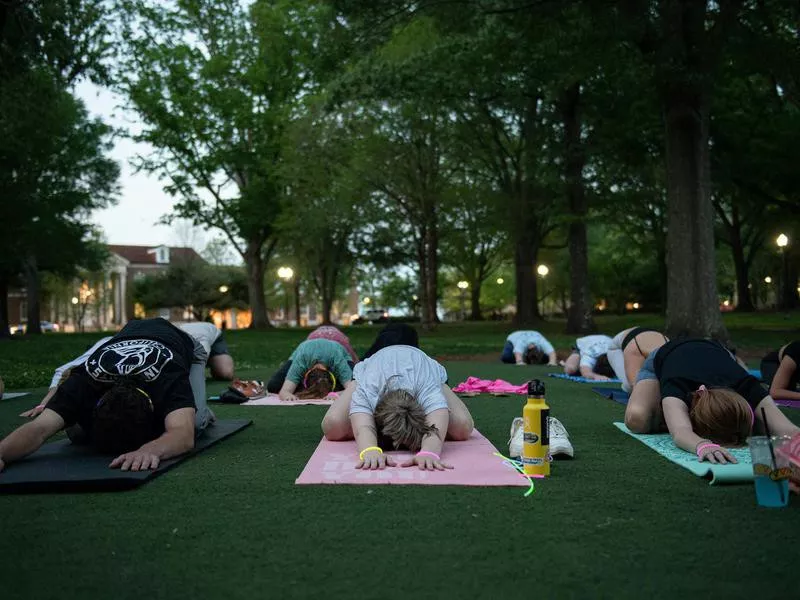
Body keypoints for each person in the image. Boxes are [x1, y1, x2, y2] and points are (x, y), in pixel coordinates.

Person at [0, 318, 214, 474]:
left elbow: (183, 436)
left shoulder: (168, 376)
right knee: (77, 434)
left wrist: (151, 449)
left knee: (193, 424)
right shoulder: (83, 383)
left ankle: (198, 409)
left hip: (185, 345)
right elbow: (38, 429)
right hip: (128, 335)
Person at [624, 338, 800, 464]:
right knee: (637, 419)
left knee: (767, 424)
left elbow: (787, 428)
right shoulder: (677, 385)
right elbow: (681, 432)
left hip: (718, 352)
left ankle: (674, 414)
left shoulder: (746, 384)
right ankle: (652, 401)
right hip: (666, 354)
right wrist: (702, 445)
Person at [20, 322, 234, 419]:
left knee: (223, 373)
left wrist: (196, 409)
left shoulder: (191, 343)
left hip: (197, 336)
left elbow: (186, 374)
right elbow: (67, 372)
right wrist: (46, 403)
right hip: (151, 336)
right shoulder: (107, 347)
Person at [321, 344, 474, 471]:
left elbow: (438, 414)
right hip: (373, 365)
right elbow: (363, 427)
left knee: (462, 427)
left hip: (423, 365)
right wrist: (369, 450)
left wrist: (429, 452)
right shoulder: (369, 388)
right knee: (333, 426)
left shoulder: (426, 386)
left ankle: (438, 384)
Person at [267, 338, 354, 401]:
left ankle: (319, 389)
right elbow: (284, 391)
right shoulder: (301, 360)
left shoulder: (337, 359)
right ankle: (312, 389)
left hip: (339, 352)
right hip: (302, 351)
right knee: (274, 386)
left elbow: (353, 389)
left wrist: (335, 394)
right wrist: (287, 395)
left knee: (358, 383)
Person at [606, 327, 669, 392]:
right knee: (630, 387)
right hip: (617, 346)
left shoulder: (672, 351)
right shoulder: (634, 350)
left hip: (646, 335)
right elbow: (634, 386)